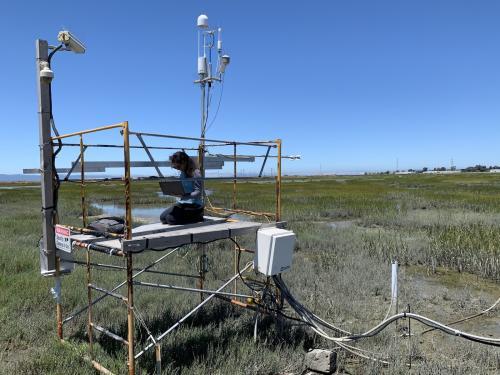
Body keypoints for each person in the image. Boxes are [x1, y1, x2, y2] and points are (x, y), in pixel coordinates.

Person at [160, 151, 204, 225]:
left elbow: (198, 192)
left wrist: (185, 195)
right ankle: (190, 216)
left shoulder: (196, 173)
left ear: (184, 162)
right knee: (163, 218)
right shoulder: (182, 173)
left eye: (178, 167)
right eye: (175, 168)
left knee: (170, 220)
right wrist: (174, 192)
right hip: (183, 203)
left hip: (195, 205)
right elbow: (182, 189)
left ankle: (198, 216)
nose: (178, 169)